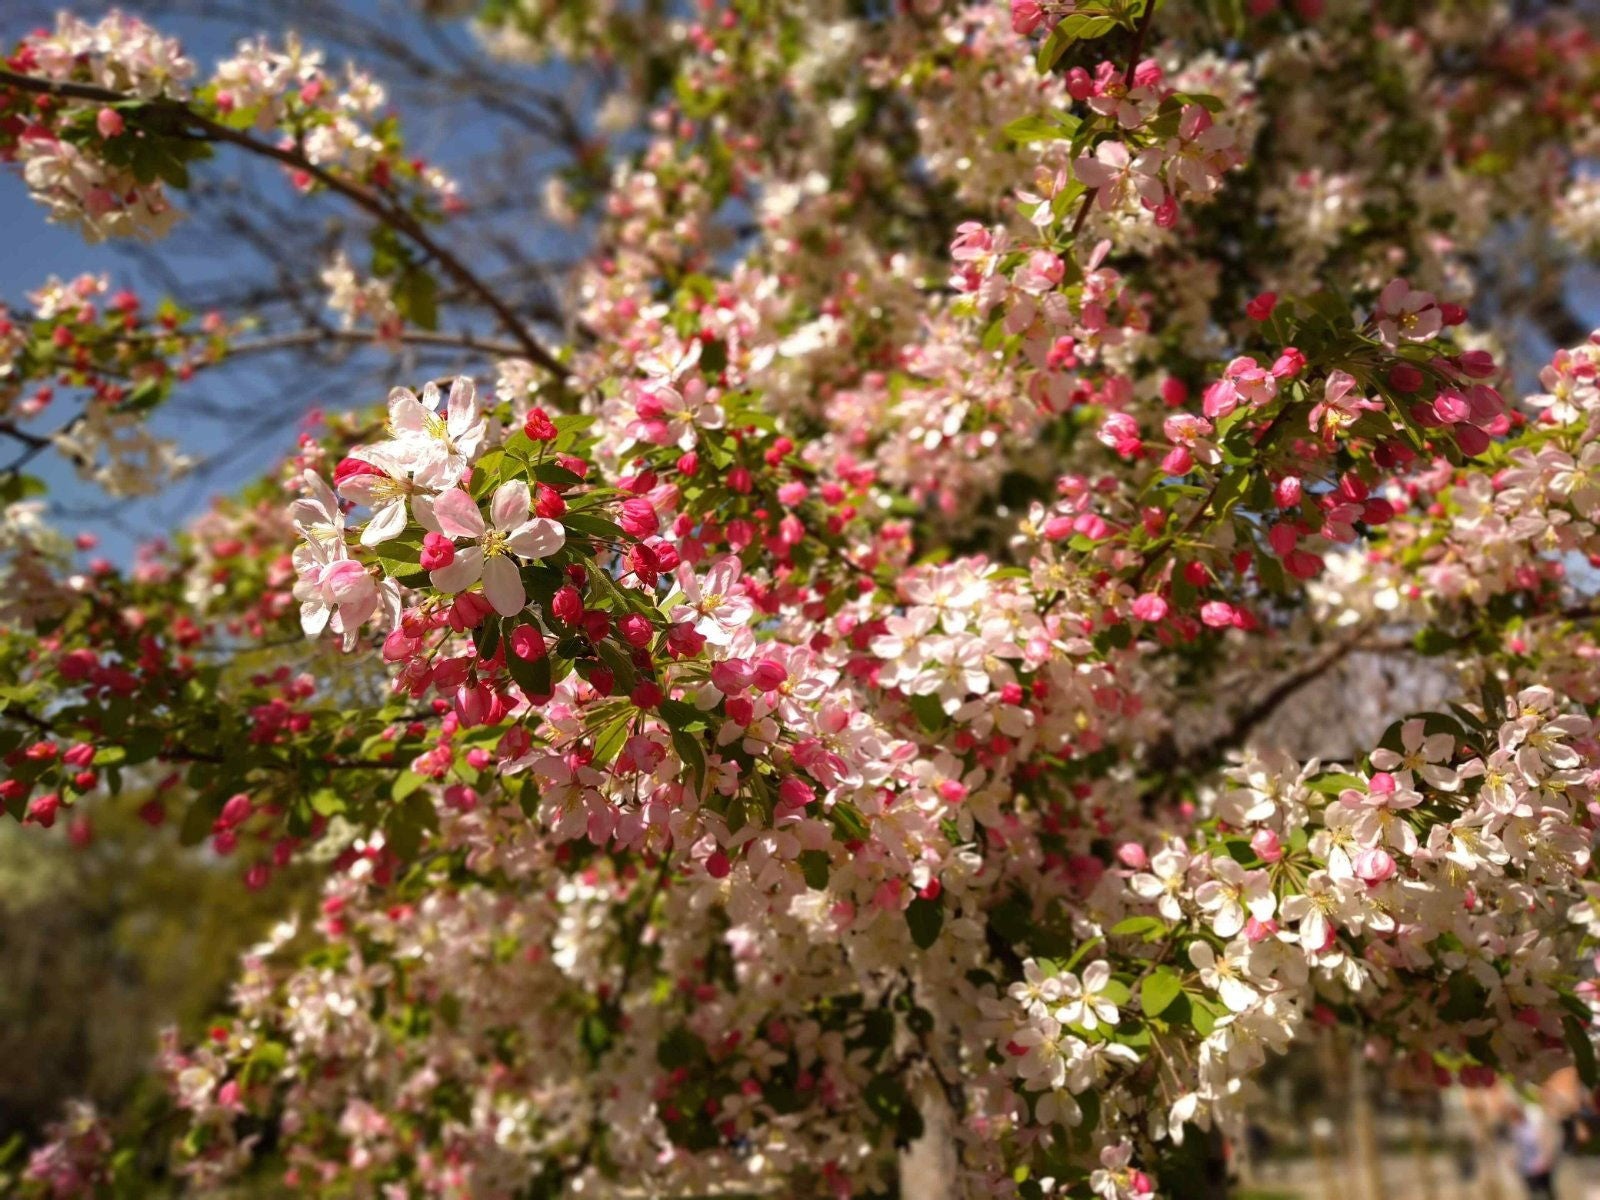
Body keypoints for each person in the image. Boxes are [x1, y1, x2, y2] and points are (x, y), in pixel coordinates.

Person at [1510, 1100, 1560, 1200]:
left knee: (1548, 1191)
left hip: (1541, 1163)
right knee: (1533, 1193)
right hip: (1526, 1167)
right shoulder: (1515, 1129)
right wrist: (1514, 1160)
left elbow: (1545, 1142)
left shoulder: (1534, 1124)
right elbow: (1516, 1147)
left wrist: (1545, 1159)